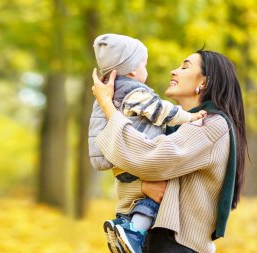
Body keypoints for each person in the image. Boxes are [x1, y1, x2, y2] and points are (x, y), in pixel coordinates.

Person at [92, 49, 247, 253]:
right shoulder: (171, 128)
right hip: (148, 242)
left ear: (205, 83)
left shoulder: (212, 125)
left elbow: (150, 160)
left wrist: (107, 106)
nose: (174, 71)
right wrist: (142, 187)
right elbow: (130, 172)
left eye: (184, 67)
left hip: (178, 246)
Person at [88, 33, 206, 253]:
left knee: (144, 196)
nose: (147, 69)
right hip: (135, 158)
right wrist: (189, 117)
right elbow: (161, 110)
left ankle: (123, 227)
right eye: (144, 64)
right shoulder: (135, 92)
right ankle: (134, 231)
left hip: (119, 164)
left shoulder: (110, 94)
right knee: (161, 193)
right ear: (133, 70)